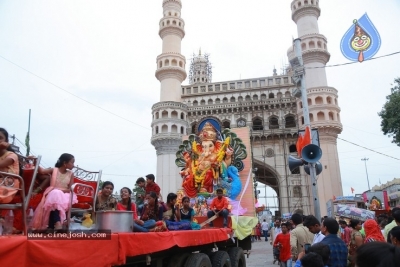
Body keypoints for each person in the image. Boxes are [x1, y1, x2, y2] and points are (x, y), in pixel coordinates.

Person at [32, 153, 77, 230]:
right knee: (55, 195)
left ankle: (56, 223)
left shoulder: (71, 173)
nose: (73, 165)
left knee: (56, 193)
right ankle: (57, 223)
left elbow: (70, 189)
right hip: (52, 194)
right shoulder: (54, 170)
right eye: (72, 162)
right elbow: (42, 171)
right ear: (65, 163)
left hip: (65, 195)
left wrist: (59, 190)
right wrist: (35, 161)